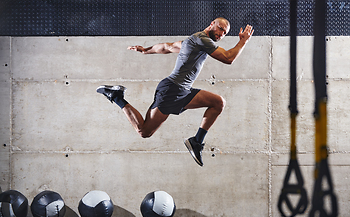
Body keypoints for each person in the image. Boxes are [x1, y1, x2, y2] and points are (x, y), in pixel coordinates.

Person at [97, 17, 254, 167]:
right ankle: (116, 97)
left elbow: (167, 47)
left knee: (218, 102)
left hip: (182, 90)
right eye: (220, 29)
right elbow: (228, 58)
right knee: (144, 131)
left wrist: (146, 50)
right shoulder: (202, 39)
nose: (221, 34)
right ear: (212, 23)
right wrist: (243, 41)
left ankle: (196, 142)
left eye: (225, 33)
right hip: (171, 90)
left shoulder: (193, 40)